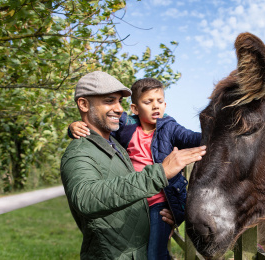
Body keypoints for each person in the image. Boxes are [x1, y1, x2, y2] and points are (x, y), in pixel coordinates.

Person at [61, 71, 206, 260]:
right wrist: (160, 173)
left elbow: (131, 188)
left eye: (119, 101)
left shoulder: (116, 144)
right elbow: (86, 198)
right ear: (83, 104)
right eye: (109, 101)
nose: (119, 109)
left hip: (146, 233)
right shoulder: (81, 151)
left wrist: (168, 214)